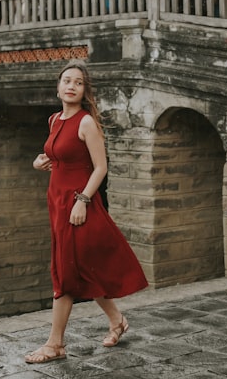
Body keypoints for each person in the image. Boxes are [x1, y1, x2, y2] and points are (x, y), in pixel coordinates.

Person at [26, 60, 148, 365]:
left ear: (84, 90)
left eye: (78, 82)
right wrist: (38, 162)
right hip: (57, 201)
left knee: (66, 272)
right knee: (79, 267)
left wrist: (82, 200)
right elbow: (56, 157)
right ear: (58, 86)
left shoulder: (86, 122)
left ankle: (55, 344)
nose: (71, 86)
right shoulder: (55, 120)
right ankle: (117, 320)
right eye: (66, 80)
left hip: (78, 204)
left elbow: (100, 168)